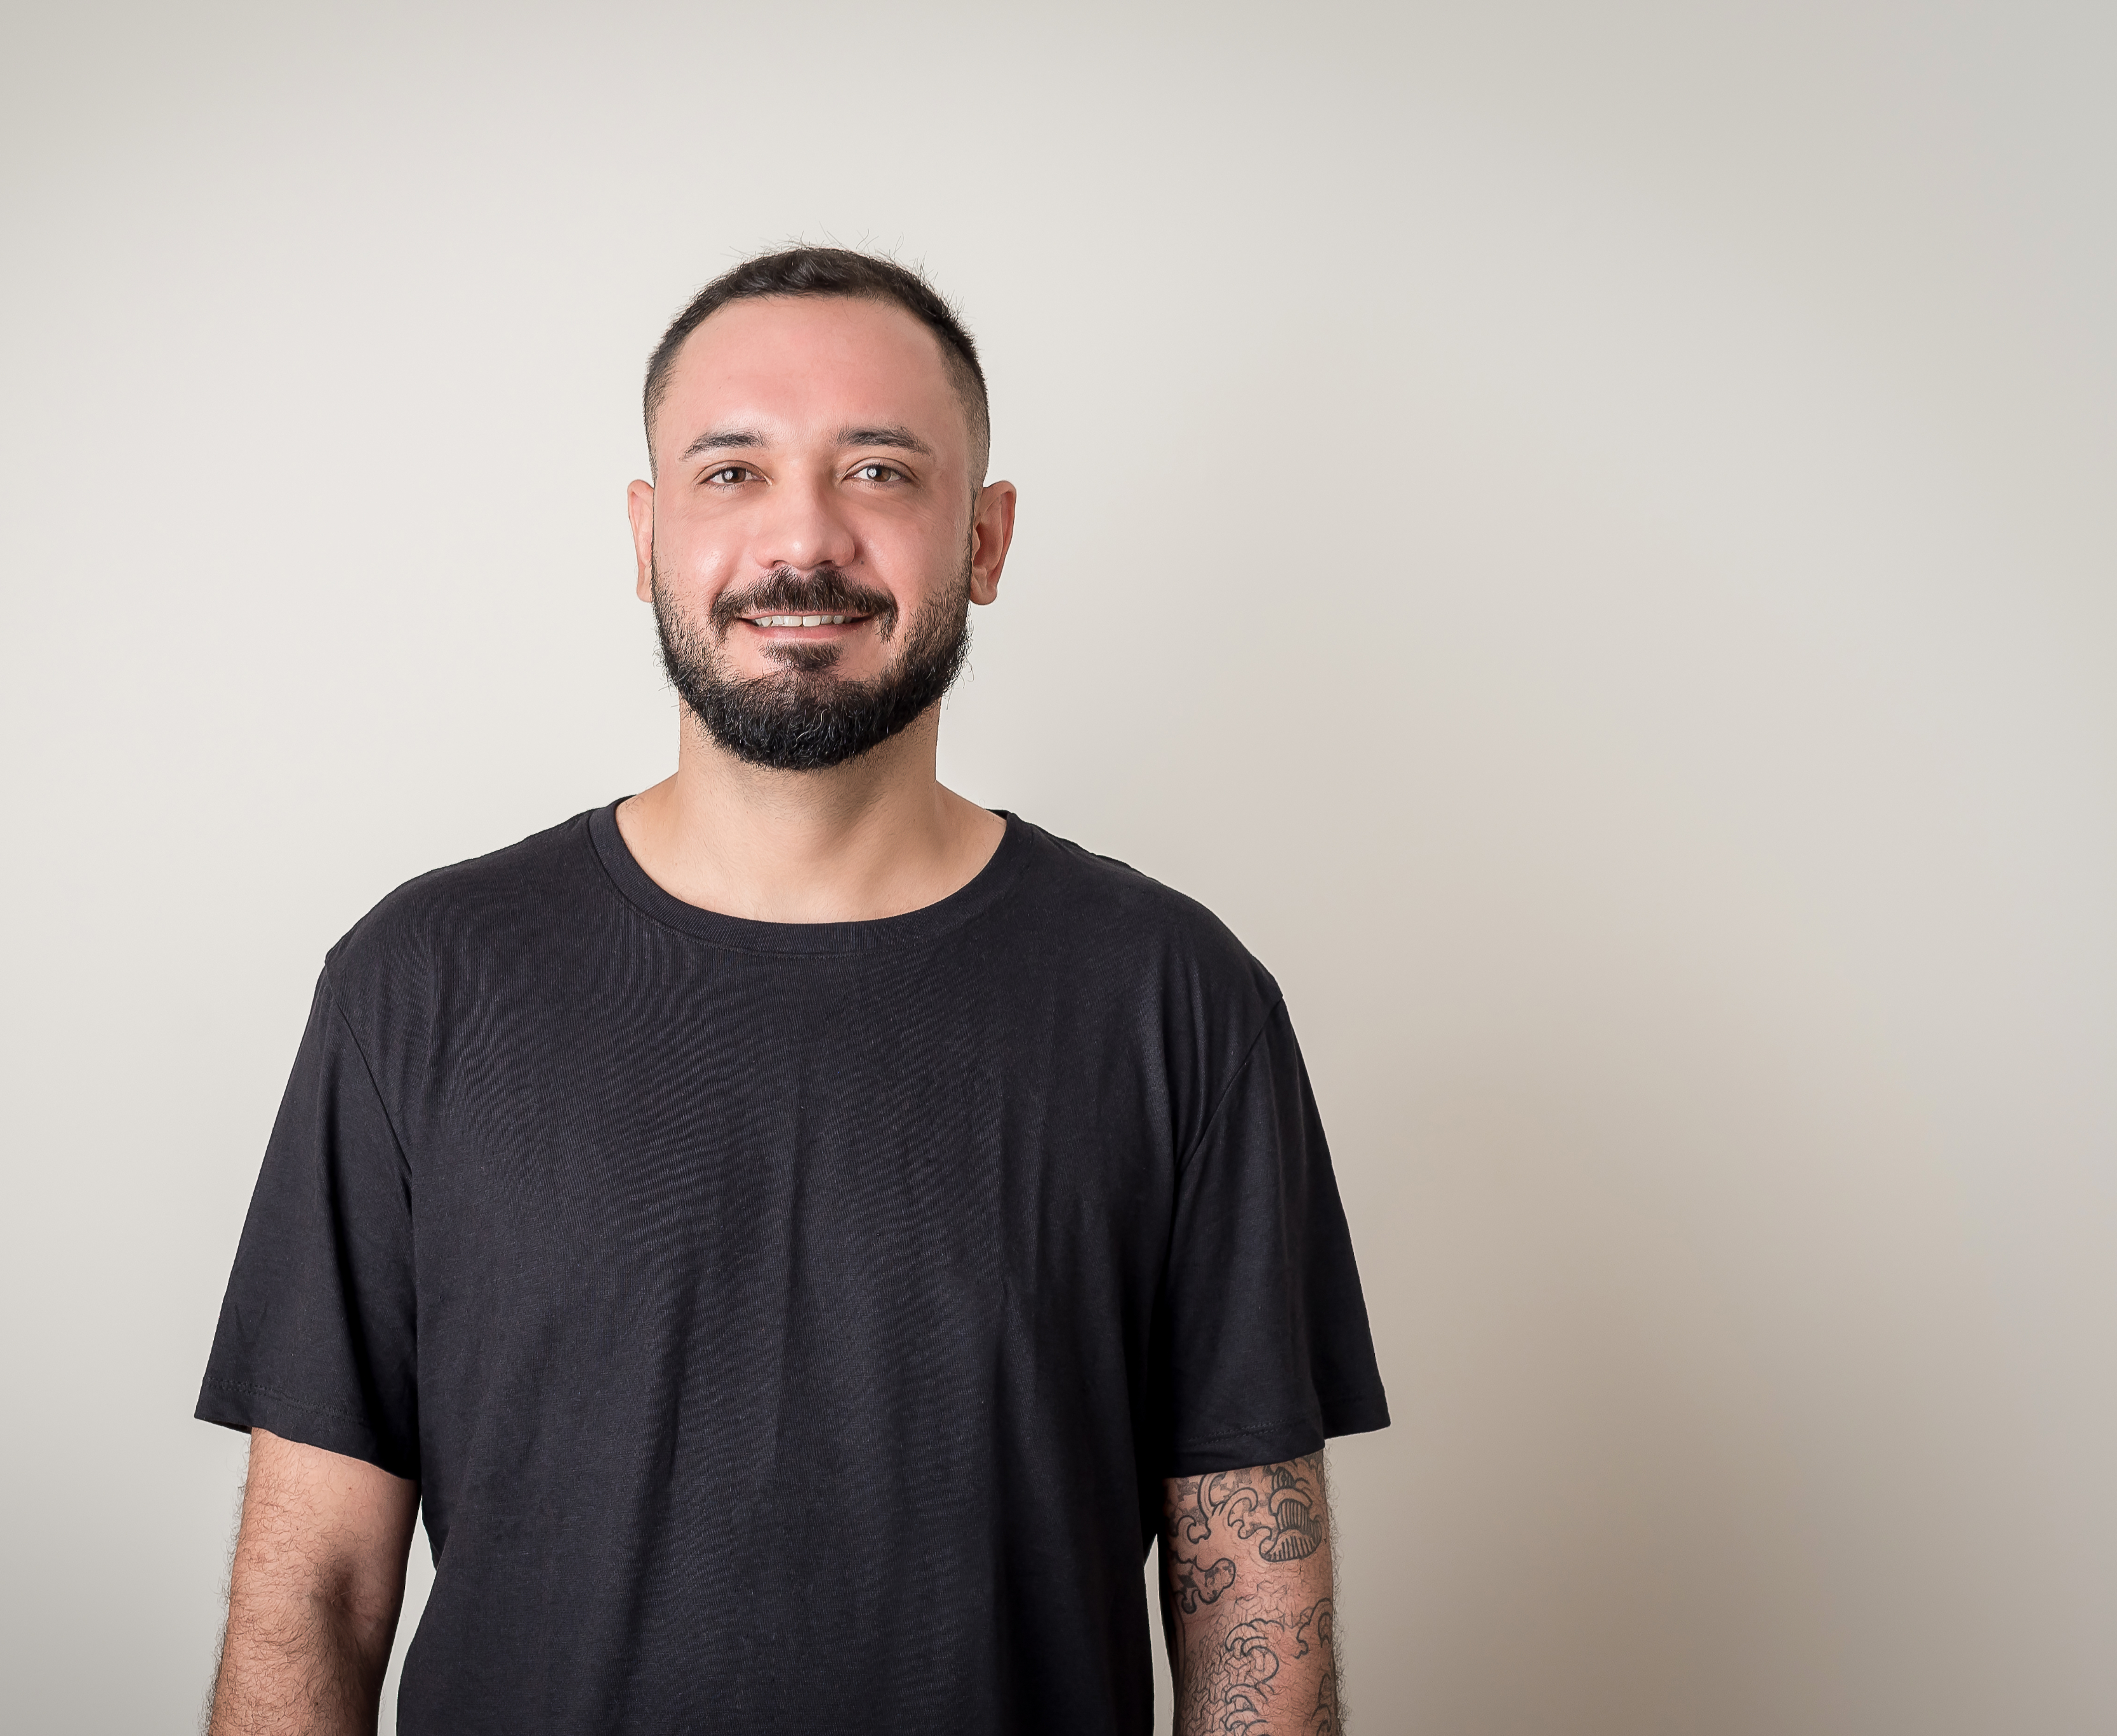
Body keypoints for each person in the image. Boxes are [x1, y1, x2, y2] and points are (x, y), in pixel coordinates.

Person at [196, 247, 1389, 1735]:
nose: (801, 541)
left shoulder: (1178, 1002)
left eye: (879, 469)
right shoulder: (418, 986)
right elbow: (312, 1596)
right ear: (645, 536)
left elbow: (1250, 1612)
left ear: (987, 539)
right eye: (731, 473)